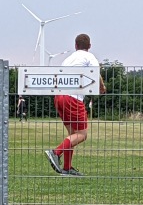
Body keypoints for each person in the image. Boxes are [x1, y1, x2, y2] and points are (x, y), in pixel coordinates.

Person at [45, 33, 106, 177]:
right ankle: (56, 152)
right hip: (73, 98)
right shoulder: (89, 57)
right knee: (81, 135)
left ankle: (67, 168)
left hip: (59, 97)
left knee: (72, 135)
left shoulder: (67, 59)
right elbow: (95, 74)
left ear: (75, 46)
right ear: (89, 46)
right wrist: (102, 88)